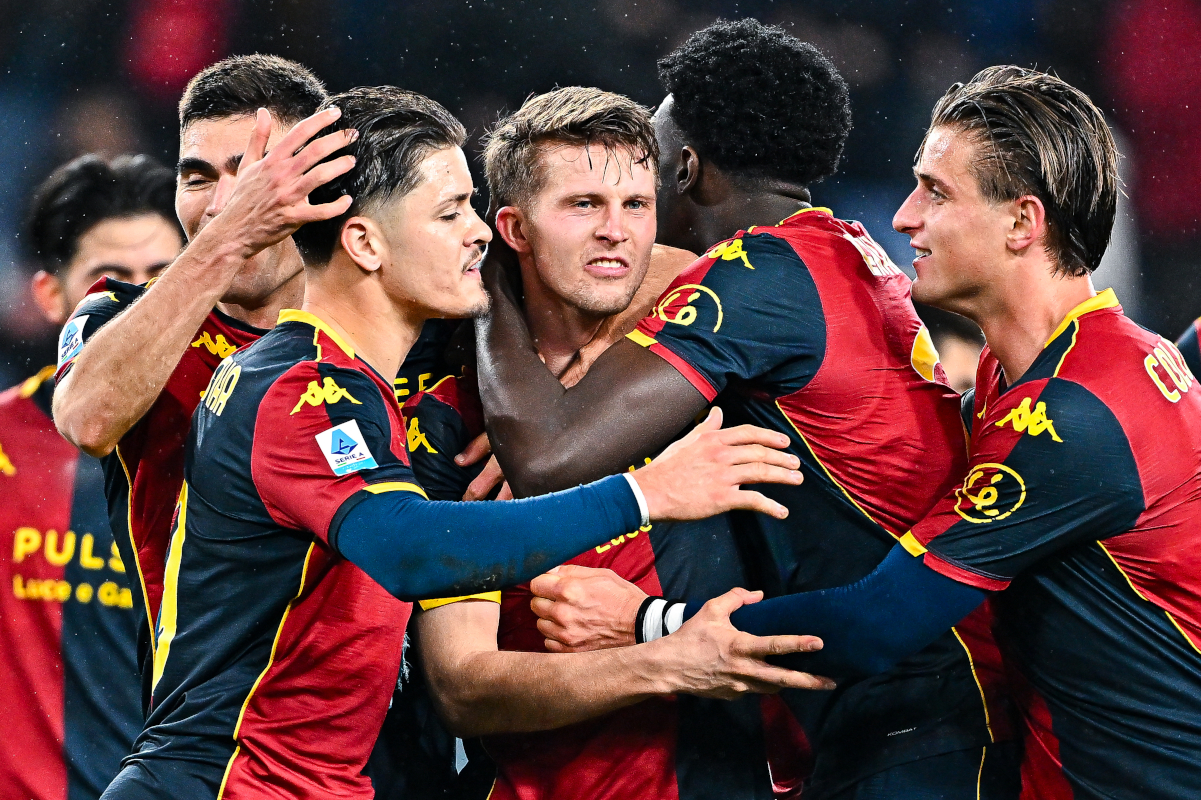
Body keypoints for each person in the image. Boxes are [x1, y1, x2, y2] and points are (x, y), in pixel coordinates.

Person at [100, 85, 821, 800]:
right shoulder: (303, 387)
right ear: (364, 242)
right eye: (449, 213)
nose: (476, 234)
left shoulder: (356, 386)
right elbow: (413, 550)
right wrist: (647, 492)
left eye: (474, 210)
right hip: (219, 783)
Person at [545, 66, 1201, 800]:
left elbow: (877, 622)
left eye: (936, 192)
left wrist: (649, 623)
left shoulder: (1069, 416)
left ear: (1022, 222)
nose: (903, 216)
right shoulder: (1057, 367)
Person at [473, 20, 1018, 799]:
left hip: (913, 718)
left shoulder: (756, 277)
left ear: (688, 167)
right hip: (922, 702)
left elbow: (545, 452)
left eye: (654, 165)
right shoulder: (831, 251)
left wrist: (493, 279)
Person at [408, 86, 814, 800]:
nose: (615, 231)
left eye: (634, 205)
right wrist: (664, 658)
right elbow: (463, 687)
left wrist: (649, 633)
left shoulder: (728, 369)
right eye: (582, 205)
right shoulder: (454, 418)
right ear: (513, 227)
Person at [1, 154, 182, 799]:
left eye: (165, 275)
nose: (138, 301)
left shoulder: (238, 442)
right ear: (50, 296)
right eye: (110, 281)